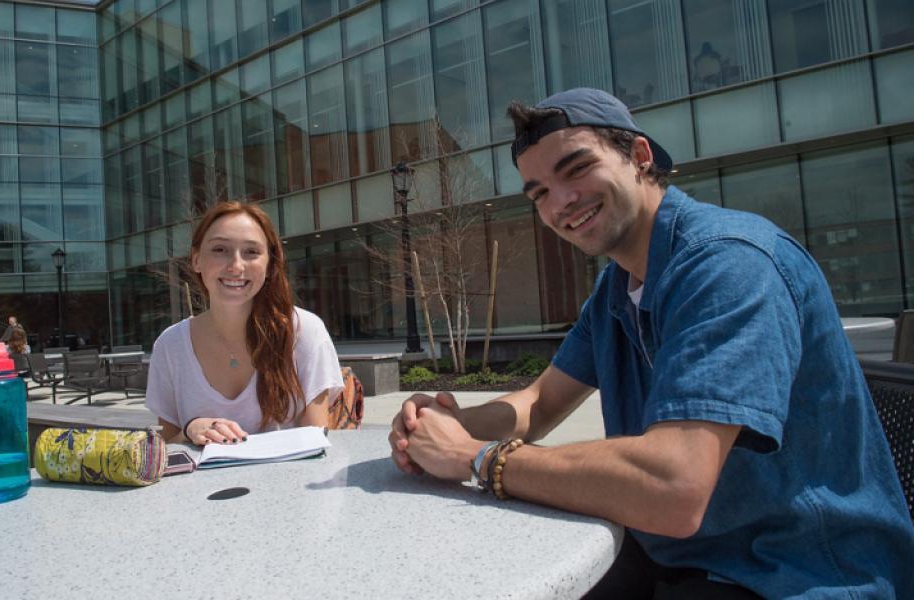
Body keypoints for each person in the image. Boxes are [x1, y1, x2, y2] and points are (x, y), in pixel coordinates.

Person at [388, 88, 914, 598]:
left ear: (638, 155)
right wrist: (441, 427)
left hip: (795, 573)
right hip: (683, 554)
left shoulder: (729, 265)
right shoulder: (616, 287)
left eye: (576, 169)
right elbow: (539, 401)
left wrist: (481, 460)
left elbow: (673, 488)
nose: (560, 203)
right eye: (540, 193)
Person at [146, 201, 344, 445]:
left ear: (270, 264)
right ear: (196, 260)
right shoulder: (170, 345)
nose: (236, 266)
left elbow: (317, 442)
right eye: (220, 249)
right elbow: (165, 450)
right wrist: (189, 431)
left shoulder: (304, 331)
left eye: (251, 252)